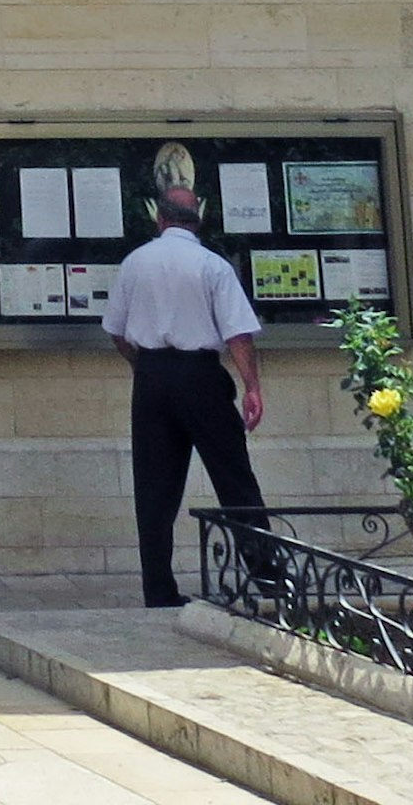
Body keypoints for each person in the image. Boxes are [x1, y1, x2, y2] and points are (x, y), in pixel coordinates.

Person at [102, 185, 270, 609]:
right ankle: (269, 577)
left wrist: (141, 365)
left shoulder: (134, 262)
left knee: (154, 488)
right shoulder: (211, 266)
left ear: (159, 218)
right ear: (198, 219)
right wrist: (251, 386)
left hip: (153, 376)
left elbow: (117, 331)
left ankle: (157, 587)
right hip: (200, 375)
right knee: (234, 477)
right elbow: (238, 334)